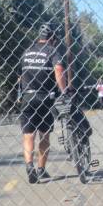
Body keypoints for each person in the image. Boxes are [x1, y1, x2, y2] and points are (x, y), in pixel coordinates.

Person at [19, 23, 67, 183]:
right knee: (44, 135)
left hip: (27, 97)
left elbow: (21, 75)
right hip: (45, 98)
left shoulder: (27, 51)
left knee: (28, 135)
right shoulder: (52, 51)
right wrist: (64, 90)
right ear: (52, 38)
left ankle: (29, 166)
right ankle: (41, 169)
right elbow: (59, 69)